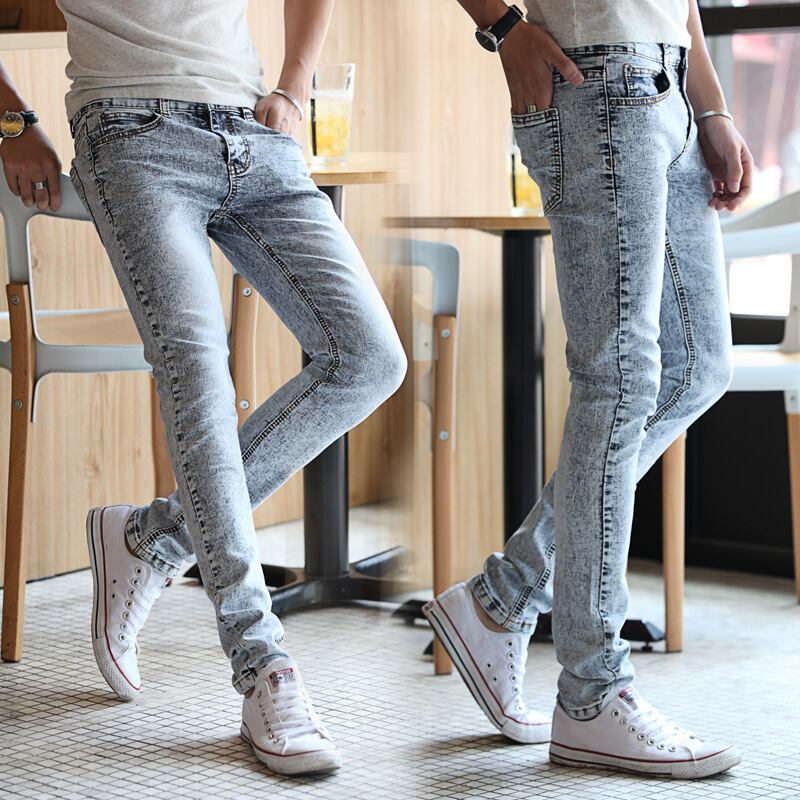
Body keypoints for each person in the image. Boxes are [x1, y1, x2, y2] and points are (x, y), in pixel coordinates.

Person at [0, 0, 407, 777]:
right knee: (197, 370)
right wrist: (12, 120)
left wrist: (293, 87)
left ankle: (153, 538)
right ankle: (263, 665)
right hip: (130, 130)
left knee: (369, 357)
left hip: (254, 131)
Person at [423, 0, 750, 779]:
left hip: (669, 83)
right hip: (596, 78)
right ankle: (591, 692)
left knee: (697, 368)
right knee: (618, 377)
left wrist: (710, 104)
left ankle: (502, 598)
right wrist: (504, 29)